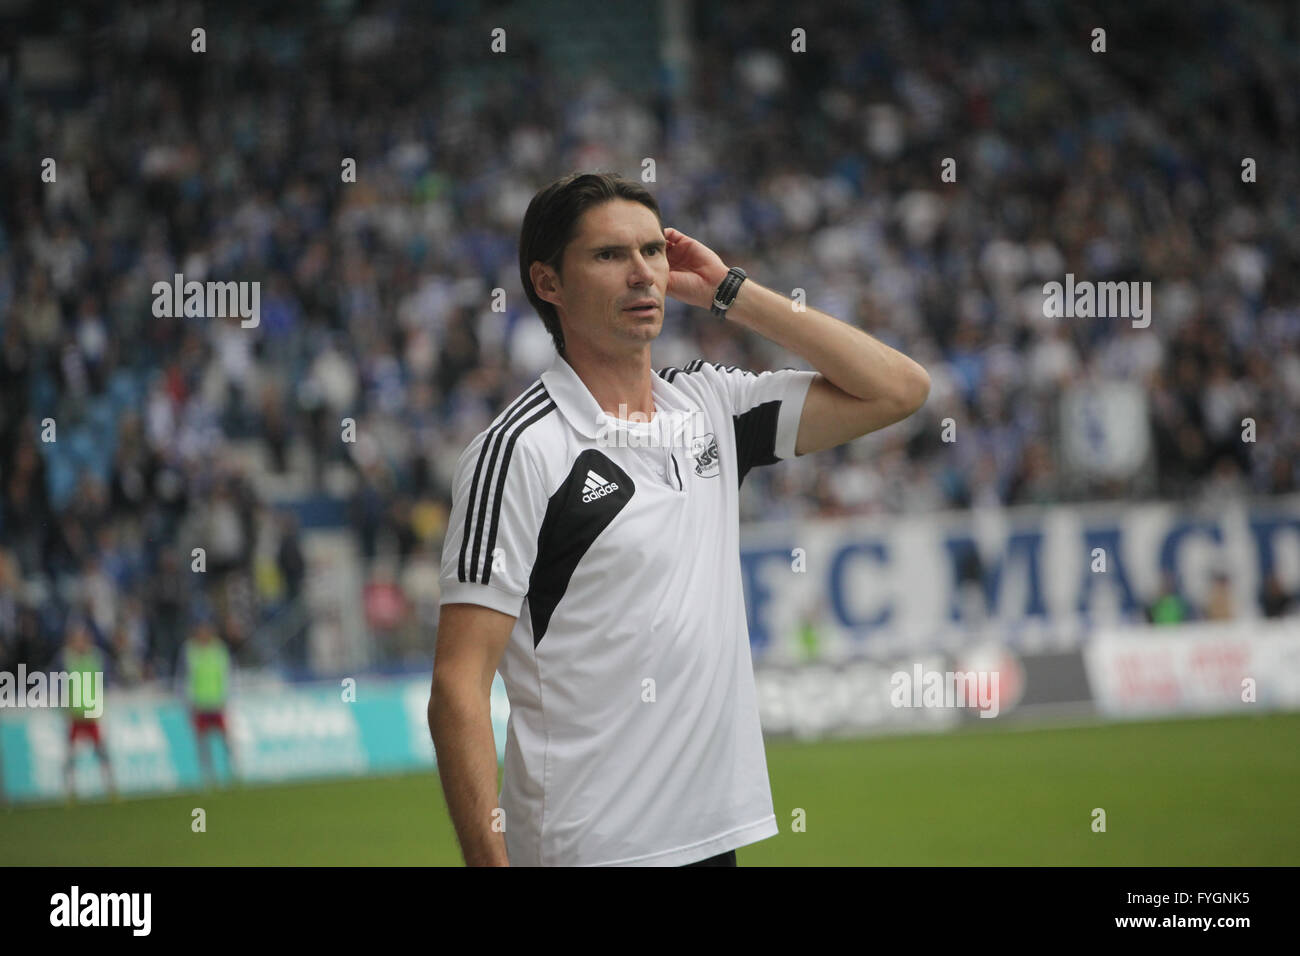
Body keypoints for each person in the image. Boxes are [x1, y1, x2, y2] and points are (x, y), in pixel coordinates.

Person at [428, 172, 930, 867]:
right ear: (549, 284)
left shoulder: (710, 405)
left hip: (711, 840)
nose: (642, 274)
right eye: (609, 256)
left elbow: (900, 388)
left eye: (652, 252)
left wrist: (731, 292)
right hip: (590, 851)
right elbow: (458, 685)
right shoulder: (518, 451)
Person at [180, 618, 237, 787]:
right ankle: (207, 776)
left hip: (217, 702)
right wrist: (189, 701)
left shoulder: (219, 649)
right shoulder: (190, 650)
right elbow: (185, 678)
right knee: (202, 742)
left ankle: (232, 772)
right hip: (199, 704)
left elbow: (227, 674)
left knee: (226, 739)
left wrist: (226, 698)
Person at [62, 619, 115, 802]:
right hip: (75, 714)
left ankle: (110, 787)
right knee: (71, 754)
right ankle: (70, 790)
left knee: (102, 752)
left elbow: (106, 684)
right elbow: (55, 683)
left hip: (93, 714)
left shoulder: (97, 658)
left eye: (82, 639)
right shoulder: (65, 659)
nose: (80, 643)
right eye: (76, 639)